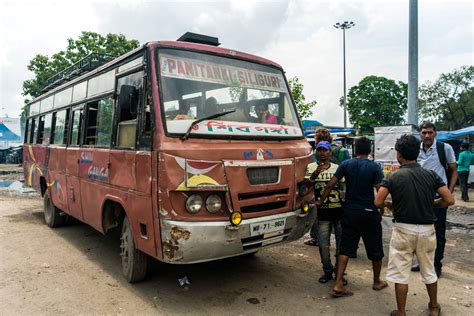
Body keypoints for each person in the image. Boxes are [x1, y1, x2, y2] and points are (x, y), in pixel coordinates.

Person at [375, 134, 454, 316]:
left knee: (400, 275)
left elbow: (378, 201)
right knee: (429, 270)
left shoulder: (393, 176)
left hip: (403, 230)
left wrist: (389, 205)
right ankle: (434, 307)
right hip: (427, 230)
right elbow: (449, 199)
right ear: (417, 153)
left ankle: (401, 312)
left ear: (399, 155)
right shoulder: (431, 174)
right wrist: (433, 204)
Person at [318, 136, 387, 297]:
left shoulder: (345, 164)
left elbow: (330, 184)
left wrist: (320, 201)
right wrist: (381, 208)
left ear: (355, 150)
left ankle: (338, 283)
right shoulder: (374, 167)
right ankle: (377, 281)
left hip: (349, 212)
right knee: (375, 249)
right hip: (369, 213)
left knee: (346, 248)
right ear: (370, 150)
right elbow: (380, 191)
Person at [415, 122, 458, 277]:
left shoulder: (444, 148)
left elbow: (453, 170)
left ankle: (436, 264)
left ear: (435, 133)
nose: (427, 136)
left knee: (438, 232)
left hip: (439, 197)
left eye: (430, 133)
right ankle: (421, 262)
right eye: (424, 132)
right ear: (420, 134)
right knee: (420, 232)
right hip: (420, 197)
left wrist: (450, 191)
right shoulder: (415, 149)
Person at [306, 141, 344, 284]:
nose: (322, 152)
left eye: (325, 150)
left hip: (339, 212)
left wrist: (343, 192)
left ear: (330, 152)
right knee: (323, 246)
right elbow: (308, 185)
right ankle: (327, 271)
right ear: (316, 152)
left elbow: (343, 185)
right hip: (322, 213)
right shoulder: (311, 167)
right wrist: (316, 173)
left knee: (340, 247)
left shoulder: (337, 168)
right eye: (319, 150)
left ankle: (340, 274)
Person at [304, 128, 334, 246]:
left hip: (319, 188)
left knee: (319, 213)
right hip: (336, 188)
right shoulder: (342, 151)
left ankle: (317, 238)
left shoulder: (316, 154)